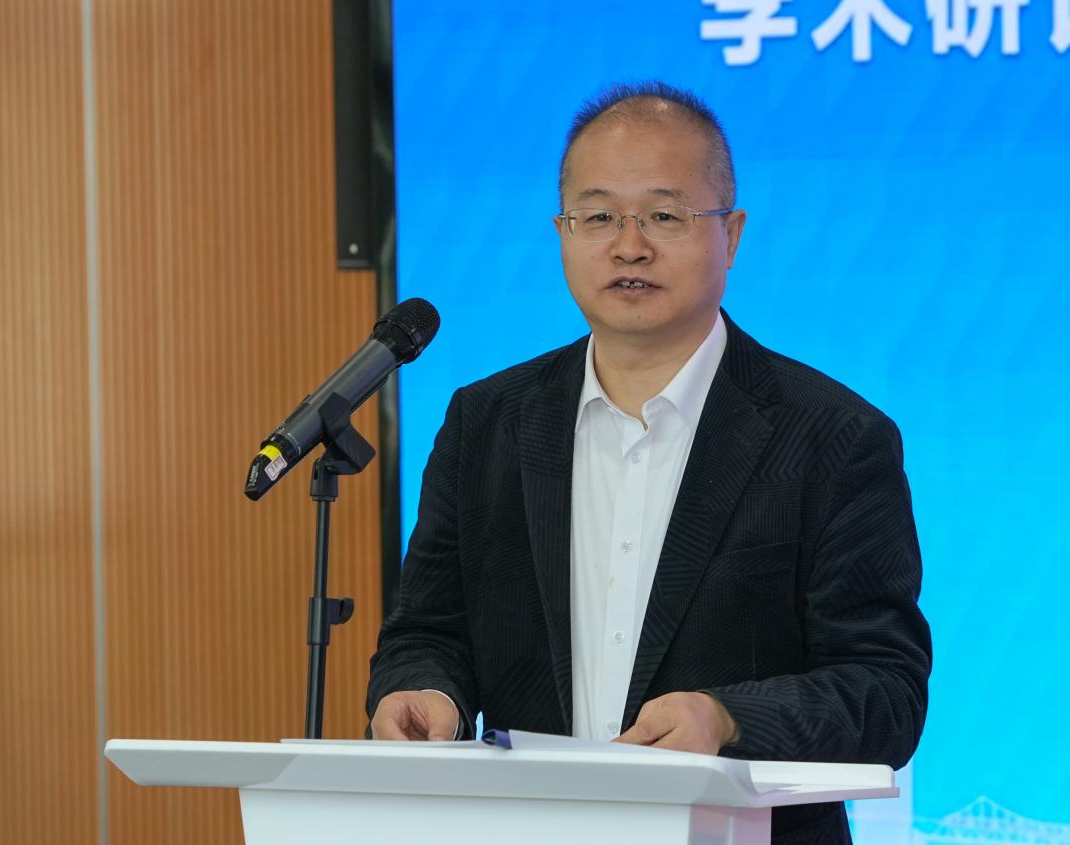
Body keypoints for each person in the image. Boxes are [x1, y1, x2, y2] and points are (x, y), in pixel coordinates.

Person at [366, 81, 932, 844]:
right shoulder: (487, 423)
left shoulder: (832, 436)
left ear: (731, 235)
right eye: (597, 216)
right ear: (561, 231)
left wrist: (726, 718)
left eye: (664, 216)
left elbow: (884, 691)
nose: (628, 246)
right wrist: (422, 689)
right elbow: (427, 630)